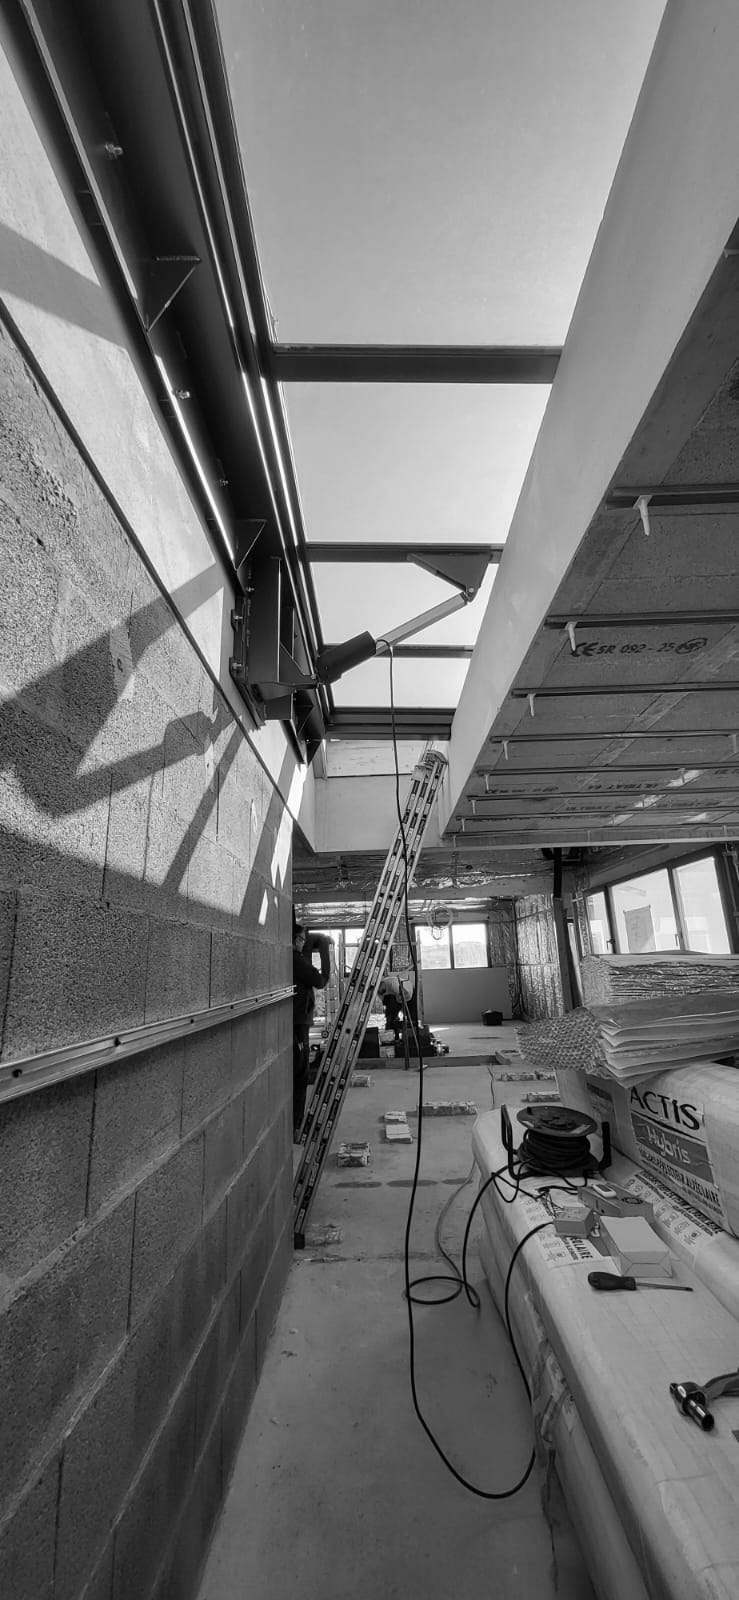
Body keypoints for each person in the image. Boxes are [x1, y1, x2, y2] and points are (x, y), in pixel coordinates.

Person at [292, 925, 330, 1138]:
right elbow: (319, 981)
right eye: (301, 940)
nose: (302, 943)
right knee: (300, 1071)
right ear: (295, 940)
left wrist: (319, 940)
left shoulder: (295, 958)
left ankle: (296, 1120)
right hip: (298, 1022)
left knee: (300, 1069)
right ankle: (296, 1123)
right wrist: (324, 948)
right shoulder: (296, 960)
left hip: (298, 1020)